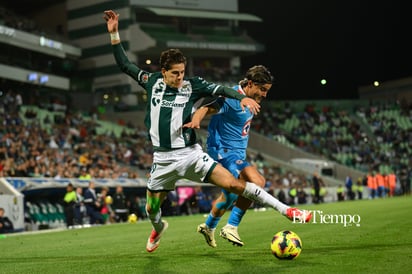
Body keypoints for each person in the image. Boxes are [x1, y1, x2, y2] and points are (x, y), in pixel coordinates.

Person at [103, 10, 312, 253]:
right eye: (175, 73)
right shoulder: (150, 81)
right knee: (151, 209)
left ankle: (287, 211)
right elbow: (125, 65)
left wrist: (241, 99)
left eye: (182, 71)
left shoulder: (193, 85)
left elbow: (222, 90)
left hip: (191, 154)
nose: (180, 77)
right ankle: (159, 228)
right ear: (163, 72)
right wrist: (115, 33)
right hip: (162, 159)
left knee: (234, 185)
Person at [192, 65, 311, 247]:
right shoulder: (231, 97)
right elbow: (207, 109)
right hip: (224, 152)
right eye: (262, 89)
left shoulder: (248, 99)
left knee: (229, 197)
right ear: (250, 84)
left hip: (237, 152)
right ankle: (232, 226)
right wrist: (195, 120)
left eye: (267, 91)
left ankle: (208, 226)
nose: (264, 95)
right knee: (257, 181)